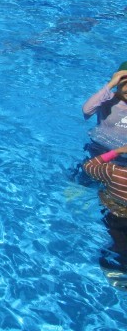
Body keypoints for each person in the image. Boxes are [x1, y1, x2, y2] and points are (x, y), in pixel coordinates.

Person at [83, 146, 127, 288]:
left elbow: (88, 166)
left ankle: (119, 272)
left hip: (115, 216)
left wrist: (117, 151)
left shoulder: (113, 171)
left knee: (119, 245)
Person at [83, 62, 127, 150]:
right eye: (126, 82)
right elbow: (86, 111)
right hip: (99, 148)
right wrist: (110, 84)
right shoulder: (107, 99)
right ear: (117, 82)